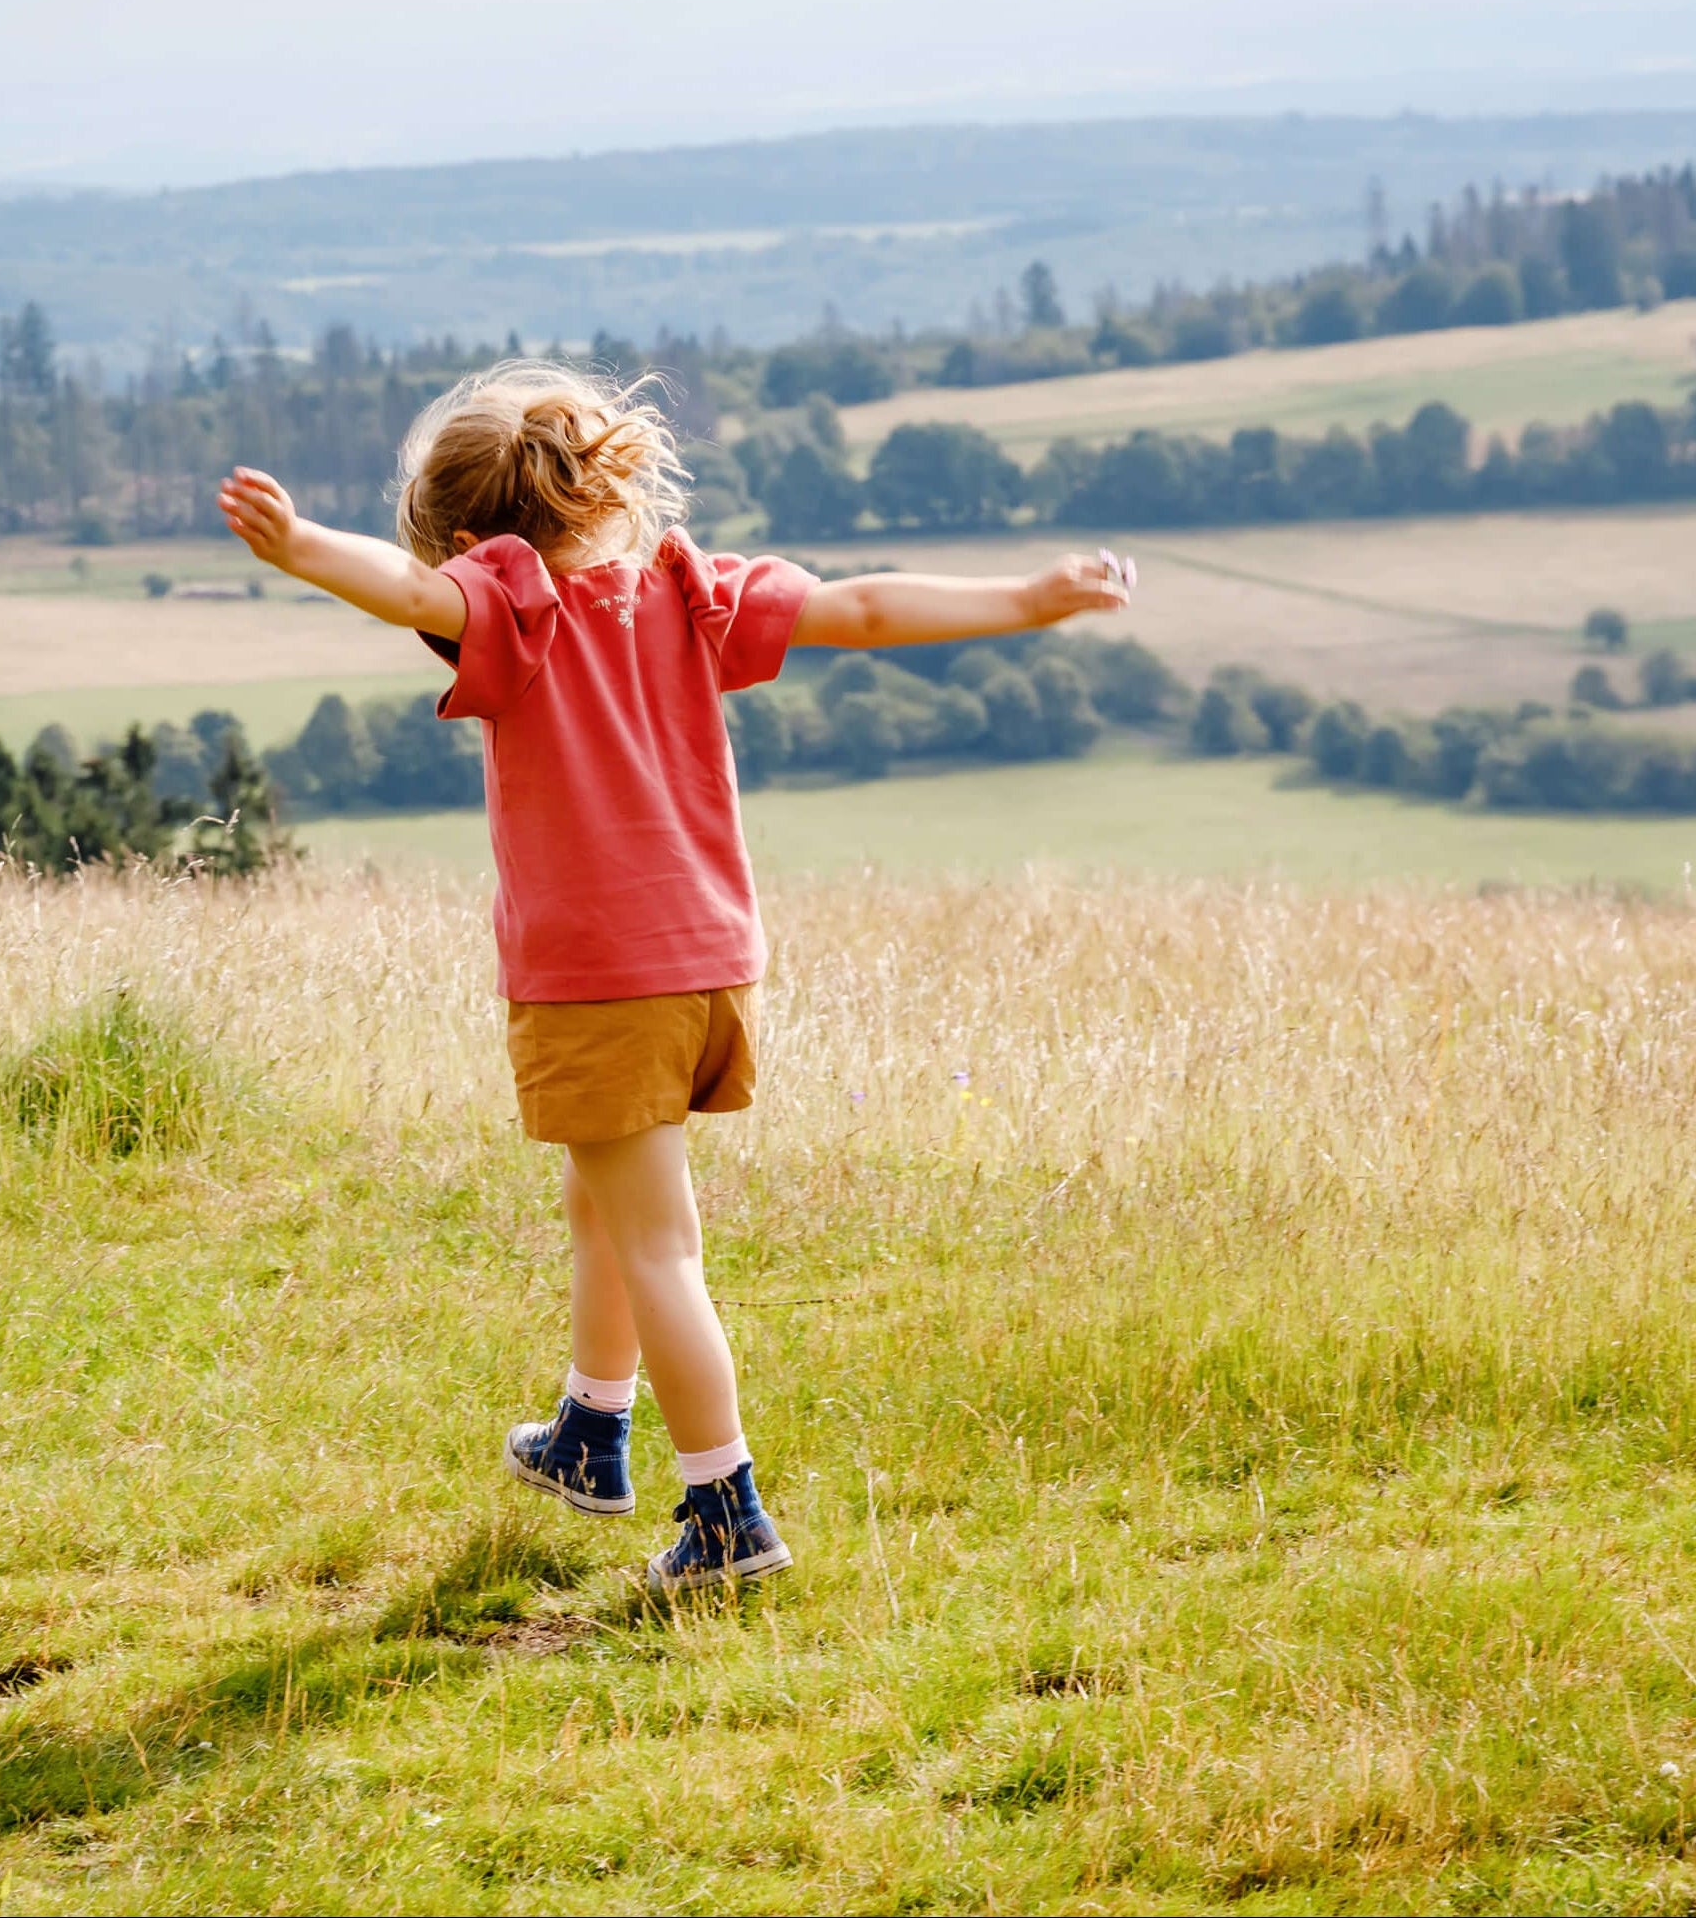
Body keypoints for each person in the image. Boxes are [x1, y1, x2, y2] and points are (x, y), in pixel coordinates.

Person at [217, 361, 1131, 1594]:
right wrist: (1028, 596)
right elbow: (858, 607)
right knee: (603, 1199)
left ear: (472, 528)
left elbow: (400, 589)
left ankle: (724, 1512)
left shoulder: (508, 601)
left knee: (660, 1248)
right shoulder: (685, 589)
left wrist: (298, 547)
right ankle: (590, 1432)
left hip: (597, 979)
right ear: (607, 482)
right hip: (705, 964)